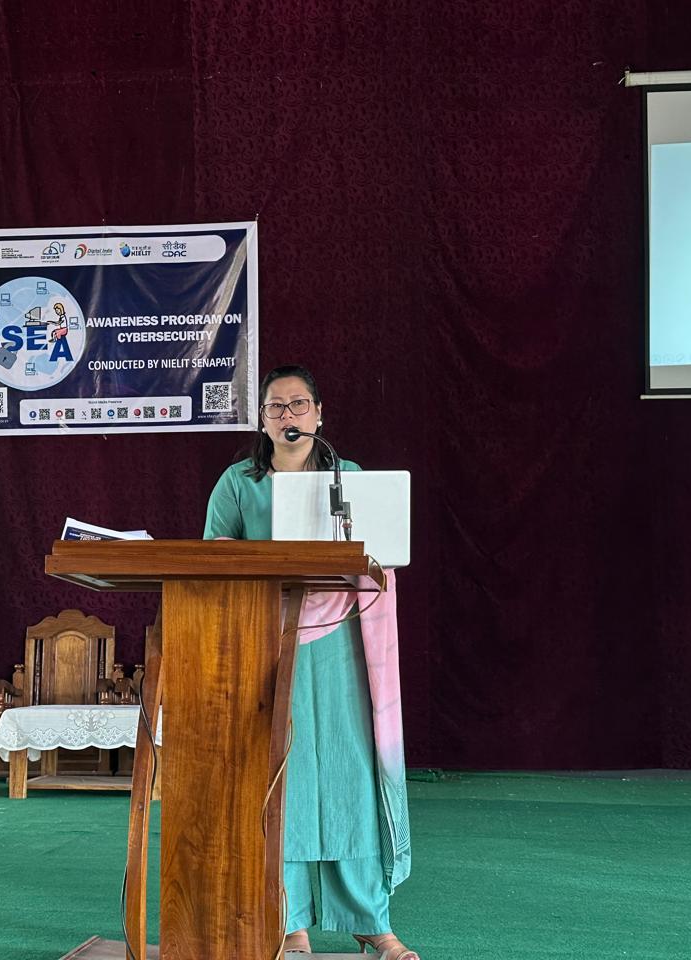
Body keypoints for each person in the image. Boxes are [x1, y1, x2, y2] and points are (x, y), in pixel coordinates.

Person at [203, 364, 417, 960]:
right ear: (262, 420)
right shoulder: (240, 482)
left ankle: (372, 922)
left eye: (299, 404)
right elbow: (215, 554)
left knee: (350, 774)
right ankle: (289, 920)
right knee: (285, 777)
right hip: (269, 642)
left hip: (342, 642)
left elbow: (379, 554)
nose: (288, 415)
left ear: (319, 415)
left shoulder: (350, 478)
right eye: (276, 406)